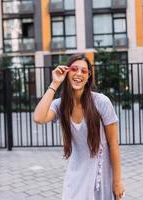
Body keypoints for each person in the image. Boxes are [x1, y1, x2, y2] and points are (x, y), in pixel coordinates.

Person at [33, 54, 125, 200]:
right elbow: (38, 118)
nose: (78, 74)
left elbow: (113, 144)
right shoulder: (59, 104)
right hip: (76, 173)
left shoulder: (101, 102)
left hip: (101, 172)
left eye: (84, 71)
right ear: (67, 72)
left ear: (88, 77)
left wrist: (118, 181)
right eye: (74, 69)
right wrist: (55, 84)